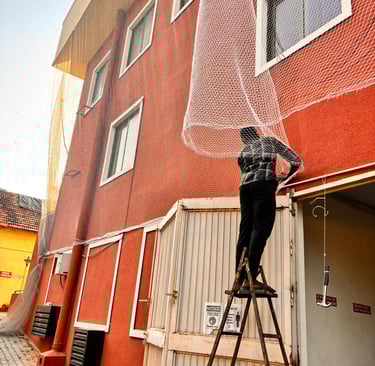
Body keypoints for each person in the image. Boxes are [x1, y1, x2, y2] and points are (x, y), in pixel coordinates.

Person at [236, 126, 302, 292]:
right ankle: (250, 279)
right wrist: (285, 177)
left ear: (244, 139)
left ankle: (239, 277)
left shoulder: (242, 153)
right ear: (257, 133)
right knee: (260, 229)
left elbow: (245, 171)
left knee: (245, 231)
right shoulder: (270, 141)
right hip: (263, 185)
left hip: (245, 189)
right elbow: (295, 160)